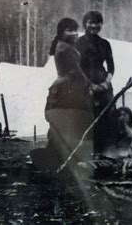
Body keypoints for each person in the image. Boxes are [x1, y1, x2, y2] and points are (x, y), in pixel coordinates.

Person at [30, 18, 93, 171]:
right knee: (70, 121)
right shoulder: (66, 48)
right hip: (67, 89)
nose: (73, 33)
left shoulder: (63, 45)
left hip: (64, 87)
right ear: (61, 32)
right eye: (69, 30)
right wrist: (89, 85)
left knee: (60, 124)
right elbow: (77, 71)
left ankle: (58, 157)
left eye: (74, 30)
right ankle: (63, 158)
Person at [75, 11, 116, 156]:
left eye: (97, 23)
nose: (94, 26)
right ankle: (86, 153)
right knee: (86, 118)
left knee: (108, 117)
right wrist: (90, 85)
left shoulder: (105, 44)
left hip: (104, 86)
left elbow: (111, 67)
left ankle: (106, 153)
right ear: (85, 24)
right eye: (90, 22)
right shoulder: (78, 43)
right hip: (84, 86)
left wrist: (105, 83)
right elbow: (76, 67)